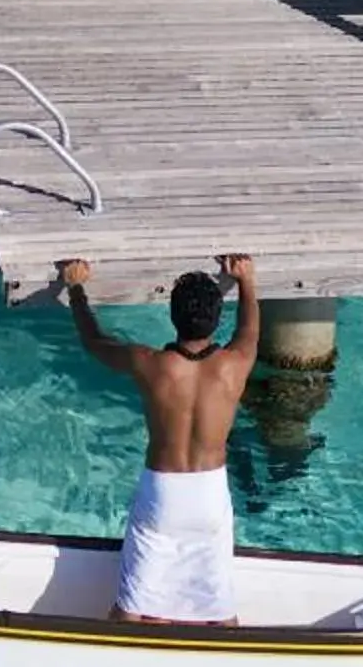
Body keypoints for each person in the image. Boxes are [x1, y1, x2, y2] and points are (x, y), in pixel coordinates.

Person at [57, 254, 259, 624]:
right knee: (219, 604)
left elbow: (94, 342)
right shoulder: (236, 364)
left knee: (131, 608)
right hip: (210, 495)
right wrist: (246, 279)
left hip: (163, 494)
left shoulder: (148, 363)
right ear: (216, 320)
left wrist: (76, 288)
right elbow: (249, 330)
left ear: (172, 316)